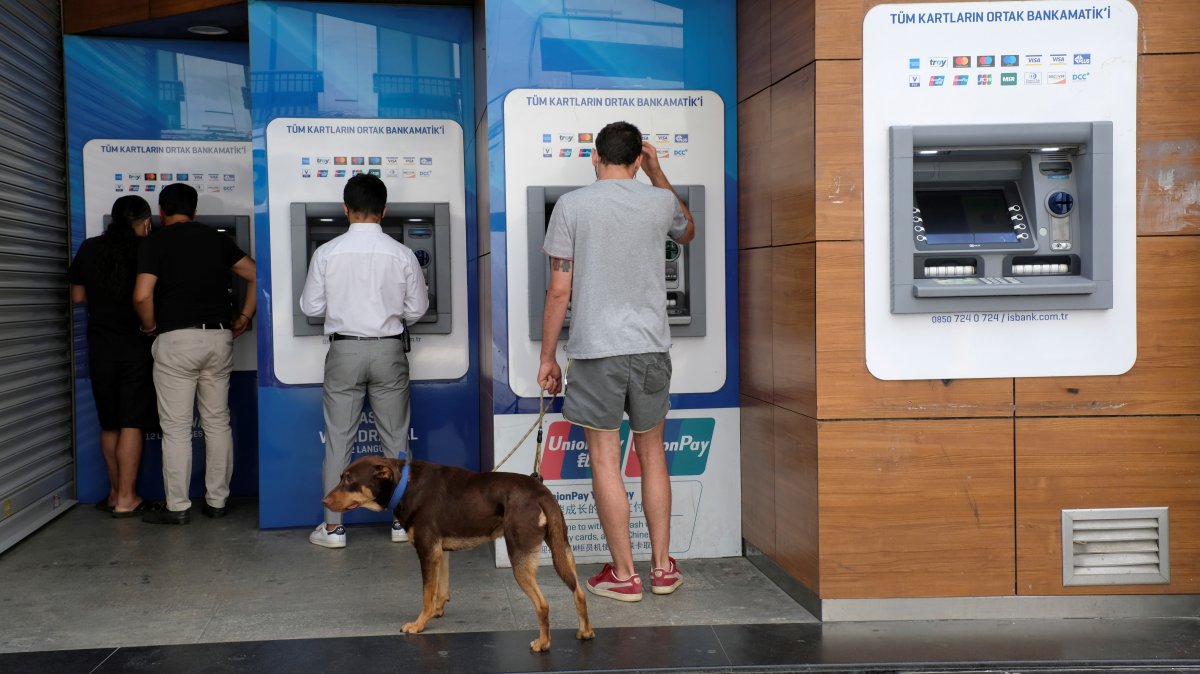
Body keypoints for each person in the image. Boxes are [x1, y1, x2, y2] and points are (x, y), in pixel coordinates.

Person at [537, 121, 696, 602]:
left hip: (596, 349)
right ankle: (663, 568)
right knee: (652, 456)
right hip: (651, 347)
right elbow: (687, 231)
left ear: (595, 156)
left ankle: (624, 575)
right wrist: (659, 174)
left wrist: (548, 356)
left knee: (606, 459)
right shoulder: (659, 201)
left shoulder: (572, 205)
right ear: (637, 158)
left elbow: (560, 288)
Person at [300, 173, 429, 549]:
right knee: (396, 439)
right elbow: (417, 308)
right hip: (389, 351)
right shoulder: (402, 254)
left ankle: (334, 528)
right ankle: (402, 523)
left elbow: (311, 306)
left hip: (344, 351)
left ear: (345, 209)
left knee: (338, 437)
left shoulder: (326, 253)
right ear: (384, 211)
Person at [133, 183, 256, 525]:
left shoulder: (154, 242)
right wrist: (244, 317)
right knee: (218, 422)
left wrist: (149, 328)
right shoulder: (217, 239)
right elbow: (255, 272)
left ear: (161, 211)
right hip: (218, 338)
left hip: (176, 340)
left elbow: (142, 296)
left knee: (176, 429)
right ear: (195, 211)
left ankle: (178, 507)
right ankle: (217, 501)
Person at [69, 195, 158, 517]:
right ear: (145, 222)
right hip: (136, 346)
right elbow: (145, 296)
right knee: (132, 422)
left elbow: (78, 296)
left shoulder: (91, 248)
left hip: (101, 348)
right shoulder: (147, 249)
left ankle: (113, 494)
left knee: (110, 424)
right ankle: (127, 498)